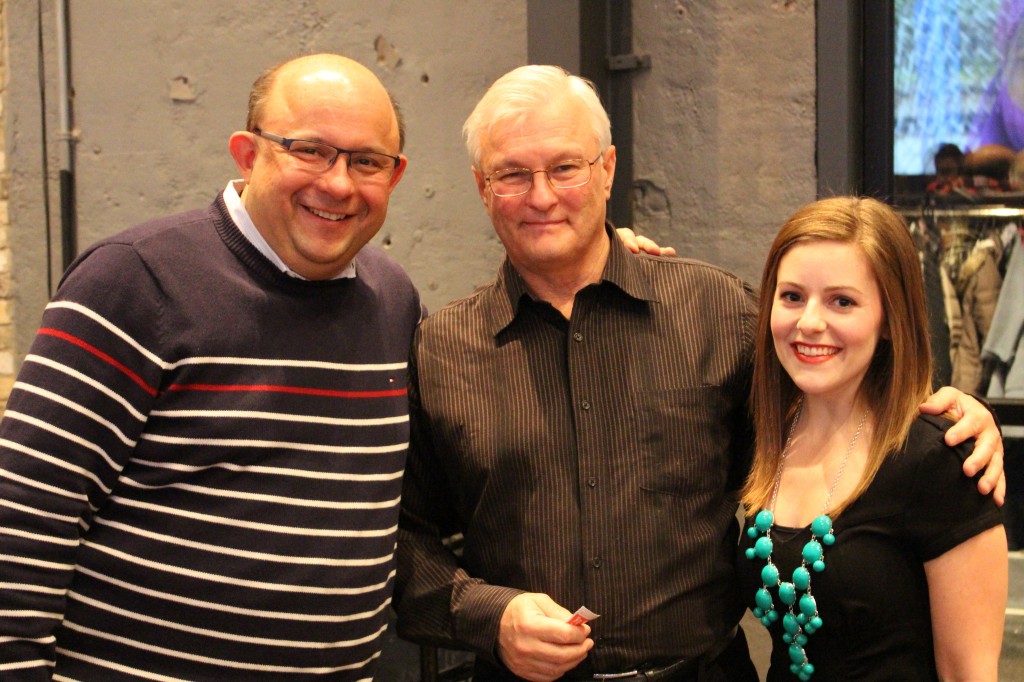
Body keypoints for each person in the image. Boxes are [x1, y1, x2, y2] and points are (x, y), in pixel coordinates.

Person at [393, 65, 1004, 682]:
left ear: (606, 170)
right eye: (512, 174)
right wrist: (489, 617)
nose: (542, 195)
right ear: (480, 186)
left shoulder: (716, 313)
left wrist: (952, 418)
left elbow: (841, 407)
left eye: (564, 168)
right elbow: (400, 545)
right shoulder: (443, 350)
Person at [0, 53, 419, 680]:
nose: (337, 184)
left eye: (366, 161)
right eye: (308, 150)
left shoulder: (394, 301)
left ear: (396, 174)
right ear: (248, 154)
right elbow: (24, 517)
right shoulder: (134, 280)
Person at [739, 197, 1006, 680]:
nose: (809, 322)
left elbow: (970, 673)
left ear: (889, 319)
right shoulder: (768, 432)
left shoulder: (939, 461)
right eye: (792, 296)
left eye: (842, 301)